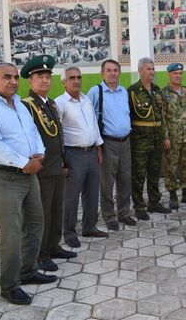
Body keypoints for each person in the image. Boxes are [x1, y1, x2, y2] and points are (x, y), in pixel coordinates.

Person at [0, 63, 56, 305]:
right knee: (10, 235)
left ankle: (28, 271)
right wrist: (23, 162)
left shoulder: (19, 104)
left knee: (35, 225)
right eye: (6, 77)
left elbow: (33, 132)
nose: (13, 81)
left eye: (15, 77)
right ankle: (9, 285)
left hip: (29, 174)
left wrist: (39, 153)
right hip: (2, 177)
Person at [20, 55, 75, 272]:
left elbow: (58, 136)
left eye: (47, 76)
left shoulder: (50, 103)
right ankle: (41, 254)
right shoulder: (28, 105)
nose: (44, 80)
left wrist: (65, 161)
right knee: (41, 214)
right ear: (30, 82)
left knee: (56, 210)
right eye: (39, 77)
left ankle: (53, 246)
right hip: (42, 169)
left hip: (56, 167)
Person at [55, 67, 108, 249]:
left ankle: (89, 226)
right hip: (73, 154)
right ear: (64, 82)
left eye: (78, 77)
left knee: (92, 193)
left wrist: (99, 149)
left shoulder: (86, 100)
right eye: (71, 78)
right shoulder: (59, 103)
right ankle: (69, 233)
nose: (76, 81)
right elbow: (57, 134)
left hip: (91, 153)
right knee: (71, 197)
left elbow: (93, 125)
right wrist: (62, 160)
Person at [87, 59, 136, 230]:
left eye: (115, 70)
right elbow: (89, 118)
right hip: (108, 143)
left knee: (125, 180)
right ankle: (109, 216)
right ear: (102, 73)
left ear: (119, 73)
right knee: (107, 182)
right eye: (108, 70)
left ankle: (124, 213)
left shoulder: (124, 91)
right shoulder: (95, 91)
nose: (112, 73)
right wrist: (97, 146)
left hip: (125, 142)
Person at [127, 57, 171, 220]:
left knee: (154, 172)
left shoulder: (157, 90)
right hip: (140, 141)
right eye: (148, 69)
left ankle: (154, 202)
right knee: (138, 175)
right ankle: (139, 206)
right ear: (140, 70)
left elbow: (161, 115)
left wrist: (165, 136)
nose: (152, 72)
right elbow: (128, 117)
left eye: (153, 69)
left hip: (156, 139)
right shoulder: (132, 91)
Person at [160, 63, 186, 209]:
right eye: (175, 73)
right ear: (169, 75)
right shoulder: (164, 94)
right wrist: (165, 137)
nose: (178, 76)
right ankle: (172, 195)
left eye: (180, 73)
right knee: (171, 166)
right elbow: (162, 117)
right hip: (172, 138)